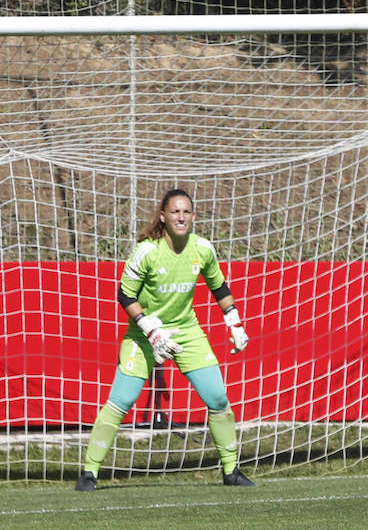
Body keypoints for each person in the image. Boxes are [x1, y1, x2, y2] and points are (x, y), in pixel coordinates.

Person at [76, 188, 255, 491]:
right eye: (175, 211)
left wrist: (234, 321)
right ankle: (89, 474)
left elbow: (220, 288)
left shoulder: (203, 249)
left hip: (186, 331)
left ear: (194, 216)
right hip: (143, 334)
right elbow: (125, 294)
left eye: (186, 211)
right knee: (121, 401)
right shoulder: (147, 251)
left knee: (218, 399)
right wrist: (149, 328)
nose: (181, 217)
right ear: (163, 216)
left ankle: (231, 471)